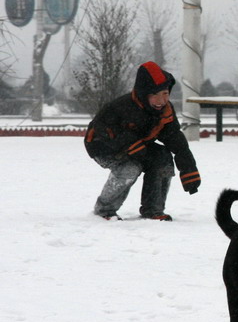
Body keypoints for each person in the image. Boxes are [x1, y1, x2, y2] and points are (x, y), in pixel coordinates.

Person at [84, 61, 201, 221]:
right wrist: (128, 144)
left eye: (165, 93)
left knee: (163, 159)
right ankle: (104, 210)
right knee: (131, 168)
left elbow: (175, 139)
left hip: (139, 146)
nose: (161, 100)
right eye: (155, 95)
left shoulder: (164, 111)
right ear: (144, 94)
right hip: (102, 147)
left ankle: (153, 210)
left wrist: (188, 169)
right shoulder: (121, 107)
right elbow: (99, 133)